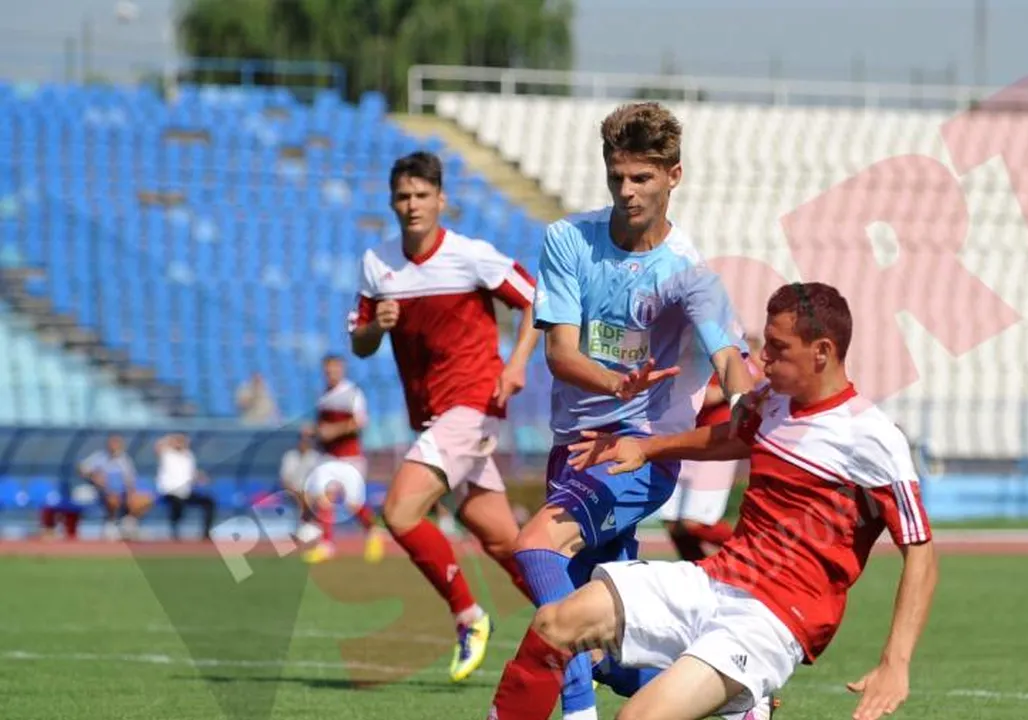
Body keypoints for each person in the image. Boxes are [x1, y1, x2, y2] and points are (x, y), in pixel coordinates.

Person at [500, 282, 939, 720]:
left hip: (772, 620)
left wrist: (894, 665)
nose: (762, 358)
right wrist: (647, 448)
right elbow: (732, 437)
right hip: (715, 580)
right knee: (556, 624)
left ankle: (747, 702)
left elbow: (921, 553)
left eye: (778, 348)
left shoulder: (874, 437)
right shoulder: (772, 400)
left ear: (821, 351)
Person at [488, 101, 756, 720]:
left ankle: (577, 713)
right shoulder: (567, 241)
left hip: (638, 448)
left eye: (642, 178)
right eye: (617, 177)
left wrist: (747, 408)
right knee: (605, 639)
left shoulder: (689, 273)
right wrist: (614, 381)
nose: (627, 191)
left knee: (536, 550)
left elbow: (727, 356)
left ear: (674, 176)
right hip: (574, 443)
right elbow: (558, 353)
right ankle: (736, 699)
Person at [347, 150, 540, 683]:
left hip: (474, 405)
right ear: (392, 202)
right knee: (503, 540)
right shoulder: (377, 264)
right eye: (403, 197)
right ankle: (590, 637)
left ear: (441, 200)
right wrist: (375, 327)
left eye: (422, 195)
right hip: (432, 417)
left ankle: (469, 617)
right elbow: (359, 345)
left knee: (401, 511)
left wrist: (518, 362)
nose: (413, 205)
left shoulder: (470, 256)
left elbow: (534, 299)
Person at [659, 336, 764, 562]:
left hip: (716, 448)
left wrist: (698, 392)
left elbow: (716, 395)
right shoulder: (709, 361)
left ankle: (752, 549)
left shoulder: (745, 366)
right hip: (691, 443)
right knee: (670, 521)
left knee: (693, 522)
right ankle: (698, 569)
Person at [301, 354, 385, 564]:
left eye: (335, 370)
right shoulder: (323, 396)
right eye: (328, 370)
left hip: (350, 456)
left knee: (353, 503)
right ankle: (326, 544)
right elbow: (323, 427)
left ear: (342, 370)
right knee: (324, 498)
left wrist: (333, 431)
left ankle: (373, 530)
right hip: (328, 456)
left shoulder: (352, 394)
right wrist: (315, 431)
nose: (331, 374)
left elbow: (359, 422)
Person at [77, 435, 150, 540]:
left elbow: (130, 479)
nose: (114, 446)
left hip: (123, 492)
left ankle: (129, 523)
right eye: (113, 443)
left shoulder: (124, 459)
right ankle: (111, 523)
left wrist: (131, 492)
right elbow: (81, 469)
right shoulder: (99, 457)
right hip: (103, 493)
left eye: (117, 443)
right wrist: (94, 475)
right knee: (113, 498)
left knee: (144, 499)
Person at [154, 433, 218, 542]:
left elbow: (190, 473)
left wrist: (200, 476)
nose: (182, 443)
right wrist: (170, 439)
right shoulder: (167, 454)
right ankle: (174, 533)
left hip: (186, 491)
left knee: (209, 501)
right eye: (179, 441)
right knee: (177, 503)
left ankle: (206, 533)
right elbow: (157, 446)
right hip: (170, 491)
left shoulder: (189, 455)